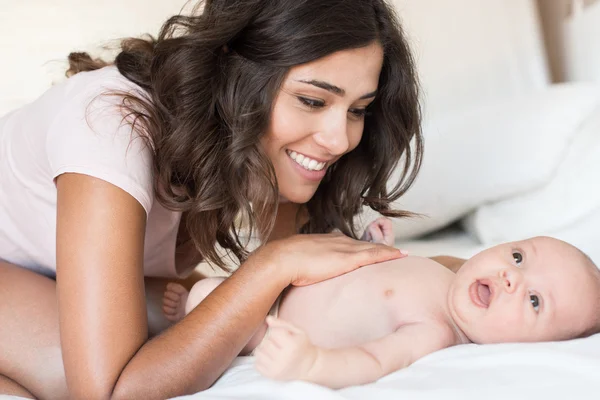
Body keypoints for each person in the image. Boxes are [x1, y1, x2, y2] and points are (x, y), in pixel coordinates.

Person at [0, 0, 426, 398]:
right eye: (312, 101)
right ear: (233, 71)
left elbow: (299, 303)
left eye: (358, 110)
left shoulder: (258, 146)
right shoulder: (111, 126)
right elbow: (108, 390)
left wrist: (456, 281)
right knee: (70, 370)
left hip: (39, 273)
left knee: (193, 322)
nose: (338, 140)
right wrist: (272, 265)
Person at [166, 234, 600, 389]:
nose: (511, 278)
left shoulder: (435, 331)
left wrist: (312, 362)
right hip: (285, 284)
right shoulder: (444, 271)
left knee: (206, 297)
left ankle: (177, 314)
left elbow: (373, 361)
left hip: (270, 324)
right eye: (520, 257)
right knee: (212, 283)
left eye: (534, 300)